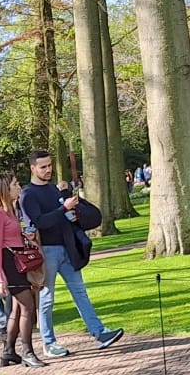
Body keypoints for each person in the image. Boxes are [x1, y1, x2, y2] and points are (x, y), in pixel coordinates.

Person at [21, 149, 123, 359]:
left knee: (80, 292)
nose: (48, 170)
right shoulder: (28, 195)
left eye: (50, 165)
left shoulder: (52, 189)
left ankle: (99, 333)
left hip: (67, 248)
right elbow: (39, 222)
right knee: (47, 298)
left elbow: (61, 217)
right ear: (33, 168)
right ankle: (49, 343)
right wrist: (62, 210)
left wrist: (72, 214)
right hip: (46, 251)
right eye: (43, 167)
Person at [0, 173, 45, 368]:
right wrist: (0, 278)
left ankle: (9, 351)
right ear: (5, 188)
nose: (19, 187)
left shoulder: (11, 210)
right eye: (15, 184)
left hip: (19, 260)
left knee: (18, 309)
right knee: (27, 305)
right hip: (10, 263)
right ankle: (27, 351)